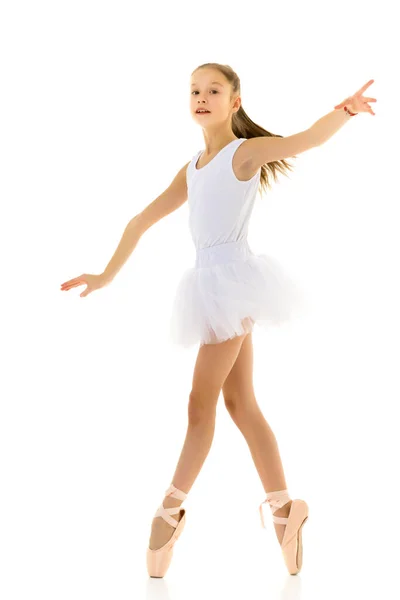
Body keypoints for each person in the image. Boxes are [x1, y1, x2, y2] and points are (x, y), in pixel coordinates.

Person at [60, 64, 376, 578]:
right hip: (210, 285)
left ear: (234, 102)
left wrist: (344, 111)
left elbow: (304, 140)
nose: (201, 97)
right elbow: (139, 220)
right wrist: (105, 276)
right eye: (194, 90)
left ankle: (169, 510)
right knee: (240, 403)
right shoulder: (193, 167)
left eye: (213, 90)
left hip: (233, 284)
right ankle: (284, 512)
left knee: (199, 403)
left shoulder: (242, 153)